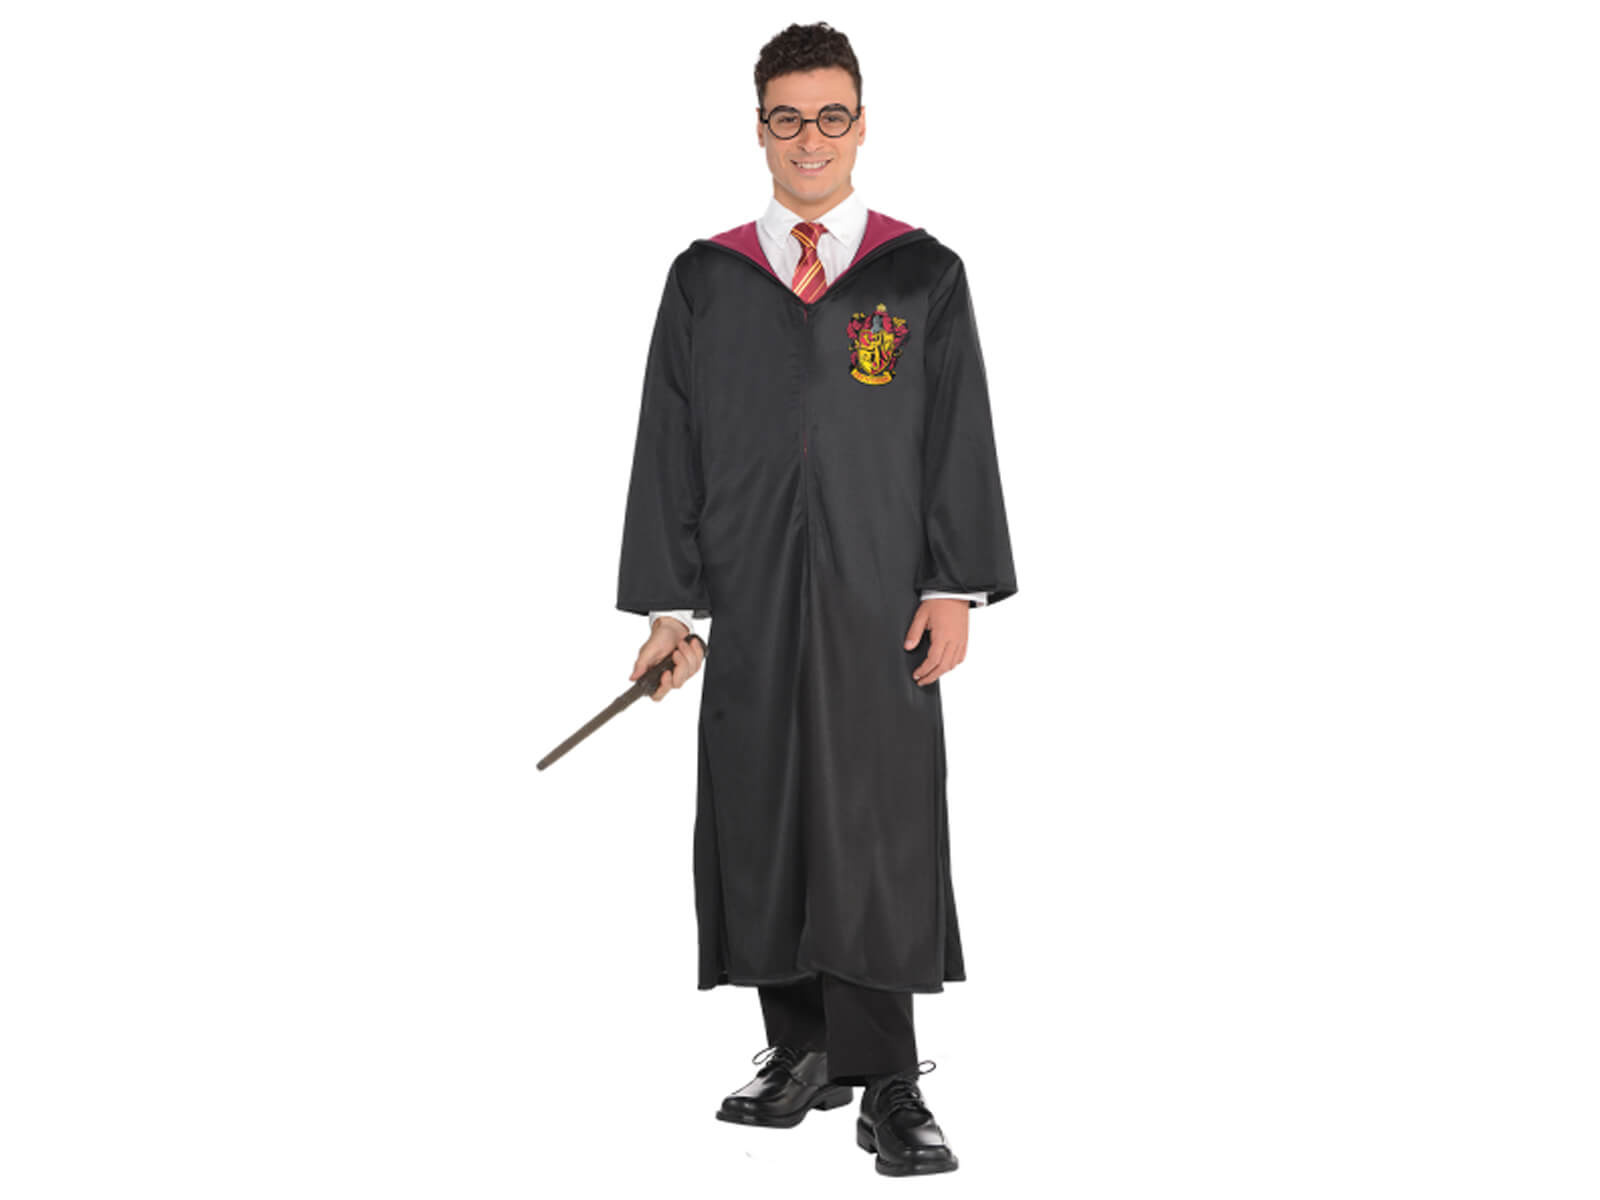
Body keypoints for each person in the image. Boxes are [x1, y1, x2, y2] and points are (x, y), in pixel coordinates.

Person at [615, 21, 1016, 1178]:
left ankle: (886, 1080)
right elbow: (669, 447)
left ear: (861, 124)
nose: (809, 138)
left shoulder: (918, 274)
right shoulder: (707, 279)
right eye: (786, 117)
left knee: (874, 821)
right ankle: (799, 1048)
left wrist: (953, 585)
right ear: (758, 128)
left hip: (877, 596)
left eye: (830, 115)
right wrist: (672, 610)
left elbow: (956, 434)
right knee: (763, 807)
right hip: (747, 593)